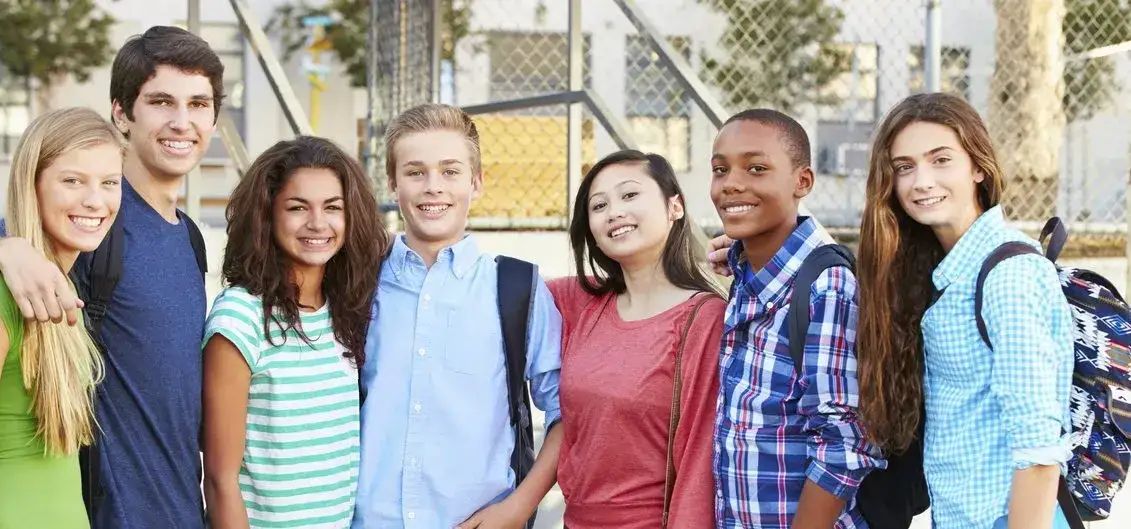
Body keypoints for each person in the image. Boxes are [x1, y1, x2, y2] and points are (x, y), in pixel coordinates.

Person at [0, 26, 225, 528]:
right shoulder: (84, 225)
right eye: (161, 102)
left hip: (181, 512)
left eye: (199, 104)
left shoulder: (190, 239)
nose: (183, 122)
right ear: (121, 114)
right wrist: (3, 248)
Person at [853, 93, 1073, 529]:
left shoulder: (1007, 275)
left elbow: (1039, 453)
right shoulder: (942, 271)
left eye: (940, 160)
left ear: (977, 167)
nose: (921, 182)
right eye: (904, 167)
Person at [352, 103, 564, 529]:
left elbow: (565, 412)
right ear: (393, 184)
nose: (434, 187)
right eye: (415, 173)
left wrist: (519, 507)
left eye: (450, 172)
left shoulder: (517, 289)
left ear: (477, 182)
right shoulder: (359, 284)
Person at [0, 107, 124, 528]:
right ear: (32, 186)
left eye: (109, 183)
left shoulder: (60, 287)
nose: (96, 200)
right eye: (72, 181)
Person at [201, 136, 388, 528]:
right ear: (267, 216)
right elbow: (221, 480)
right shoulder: (241, 316)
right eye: (297, 208)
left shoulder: (345, 311)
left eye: (332, 208)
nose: (317, 223)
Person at [709, 109, 883, 528]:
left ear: (802, 181)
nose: (731, 183)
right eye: (720, 169)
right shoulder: (750, 272)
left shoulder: (827, 286)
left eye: (756, 168)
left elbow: (845, 444)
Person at [546, 150, 723, 528]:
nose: (614, 212)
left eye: (629, 195)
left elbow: (698, 463)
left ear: (674, 206)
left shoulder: (704, 318)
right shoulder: (581, 302)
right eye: (598, 205)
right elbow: (484, 290)